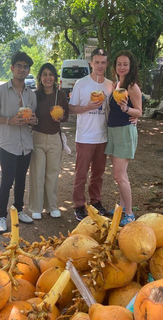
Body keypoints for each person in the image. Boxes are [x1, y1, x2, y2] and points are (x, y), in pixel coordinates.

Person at [0, 51, 38, 233]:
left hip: (26, 145)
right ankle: (1, 216)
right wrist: (10, 120)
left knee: (21, 180)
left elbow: (35, 117)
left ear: (28, 70)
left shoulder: (31, 94)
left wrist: (33, 120)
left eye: (25, 67)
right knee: (7, 181)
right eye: (19, 66)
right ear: (12, 68)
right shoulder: (0, 91)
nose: (22, 70)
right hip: (8, 143)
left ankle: (19, 210)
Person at [68, 48, 113, 221]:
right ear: (91, 63)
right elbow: (71, 109)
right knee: (81, 174)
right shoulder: (82, 83)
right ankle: (79, 205)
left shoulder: (110, 85)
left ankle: (95, 202)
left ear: (107, 64)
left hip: (103, 137)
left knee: (98, 174)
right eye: (97, 62)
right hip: (85, 137)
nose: (100, 66)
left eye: (103, 62)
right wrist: (88, 106)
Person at [106, 50, 143, 226]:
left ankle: (129, 213)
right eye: (119, 64)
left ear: (131, 66)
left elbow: (139, 111)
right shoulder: (117, 84)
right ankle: (121, 207)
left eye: (125, 64)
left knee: (119, 176)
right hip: (113, 132)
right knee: (122, 175)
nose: (122, 67)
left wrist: (127, 110)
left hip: (124, 132)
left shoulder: (132, 86)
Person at [28, 63, 69, 220]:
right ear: (40, 77)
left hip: (54, 138)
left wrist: (60, 117)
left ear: (55, 77)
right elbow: (30, 117)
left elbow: (66, 116)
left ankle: (52, 206)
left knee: (52, 174)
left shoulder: (61, 95)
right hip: (37, 136)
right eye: (44, 74)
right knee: (37, 173)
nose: (47, 77)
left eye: (50, 74)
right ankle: (36, 207)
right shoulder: (35, 95)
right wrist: (32, 119)